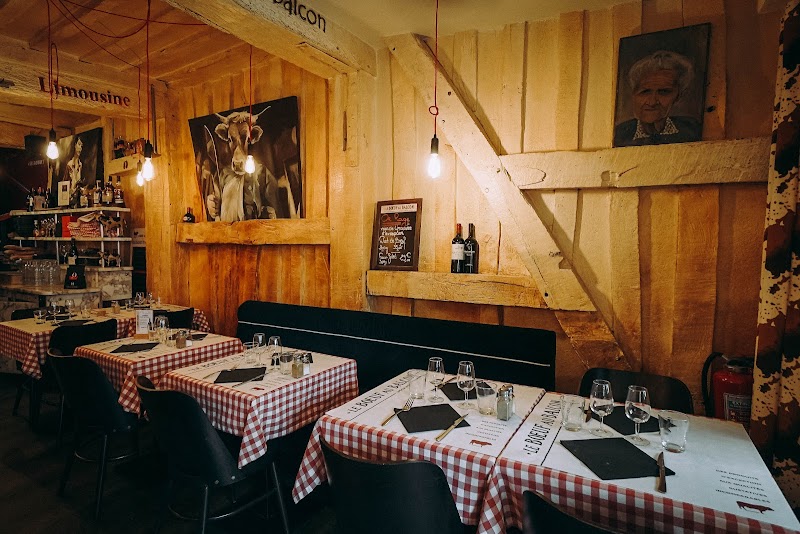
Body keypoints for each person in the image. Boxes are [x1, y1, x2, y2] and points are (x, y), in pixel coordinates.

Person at [613, 50, 702, 147]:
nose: (652, 102)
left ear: (678, 96)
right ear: (634, 94)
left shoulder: (693, 129)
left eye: (663, 92)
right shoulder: (618, 134)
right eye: (645, 92)